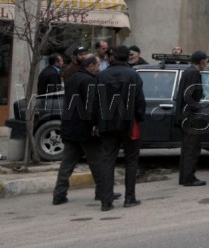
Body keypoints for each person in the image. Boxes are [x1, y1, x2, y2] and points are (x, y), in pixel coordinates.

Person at [52, 55, 110, 206]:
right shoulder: (89, 81)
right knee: (97, 162)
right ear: (90, 66)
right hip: (85, 130)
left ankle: (59, 194)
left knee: (67, 164)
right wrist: (96, 125)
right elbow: (92, 106)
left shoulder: (73, 78)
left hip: (70, 127)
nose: (99, 68)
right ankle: (103, 192)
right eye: (97, 65)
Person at [96, 46, 146, 210]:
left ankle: (106, 201)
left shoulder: (102, 75)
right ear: (127, 57)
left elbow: (95, 102)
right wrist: (138, 117)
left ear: (113, 57)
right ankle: (129, 198)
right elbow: (140, 102)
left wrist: (96, 122)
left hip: (107, 124)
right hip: (129, 123)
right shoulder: (133, 75)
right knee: (131, 161)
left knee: (107, 161)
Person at [175, 50, 208, 187]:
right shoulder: (193, 73)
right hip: (190, 116)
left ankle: (185, 177)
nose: (206, 65)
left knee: (187, 147)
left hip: (185, 115)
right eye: (205, 62)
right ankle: (189, 178)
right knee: (192, 148)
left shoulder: (188, 72)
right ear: (200, 62)